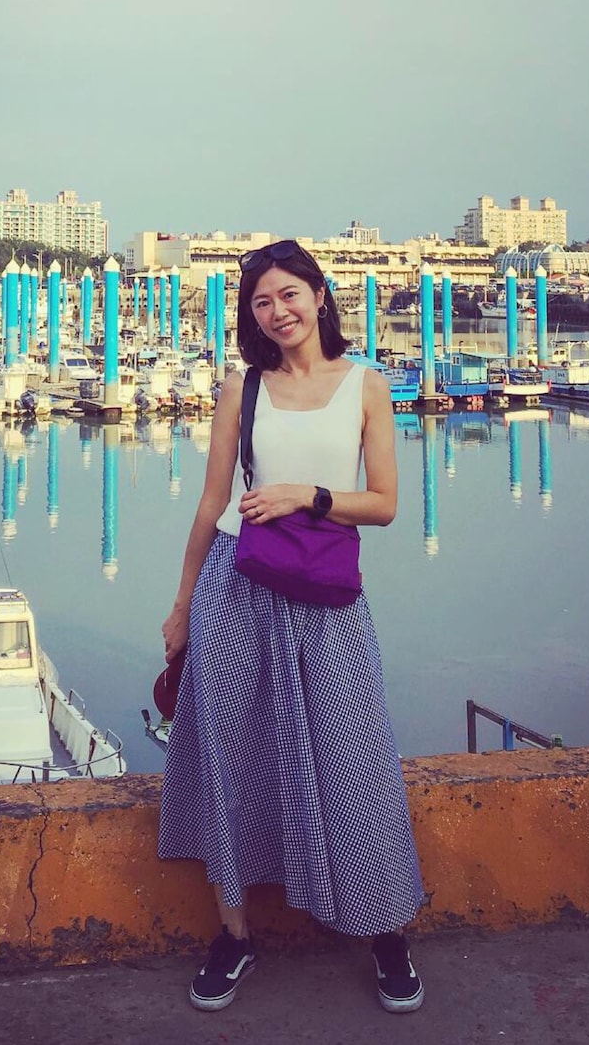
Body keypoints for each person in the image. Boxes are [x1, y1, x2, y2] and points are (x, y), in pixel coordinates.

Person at [159, 239, 425, 1015]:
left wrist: (307, 494)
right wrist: (182, 606)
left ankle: (385, 931)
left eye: (289, 294)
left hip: (327, 594)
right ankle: (235, 934)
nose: (278, 312)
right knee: (230, 756)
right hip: (235, 586)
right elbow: (212, 503)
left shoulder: (366, 385)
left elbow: (385, 503)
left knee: (356, 755)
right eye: (261, 302)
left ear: (319, 295)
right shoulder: (242, 388)